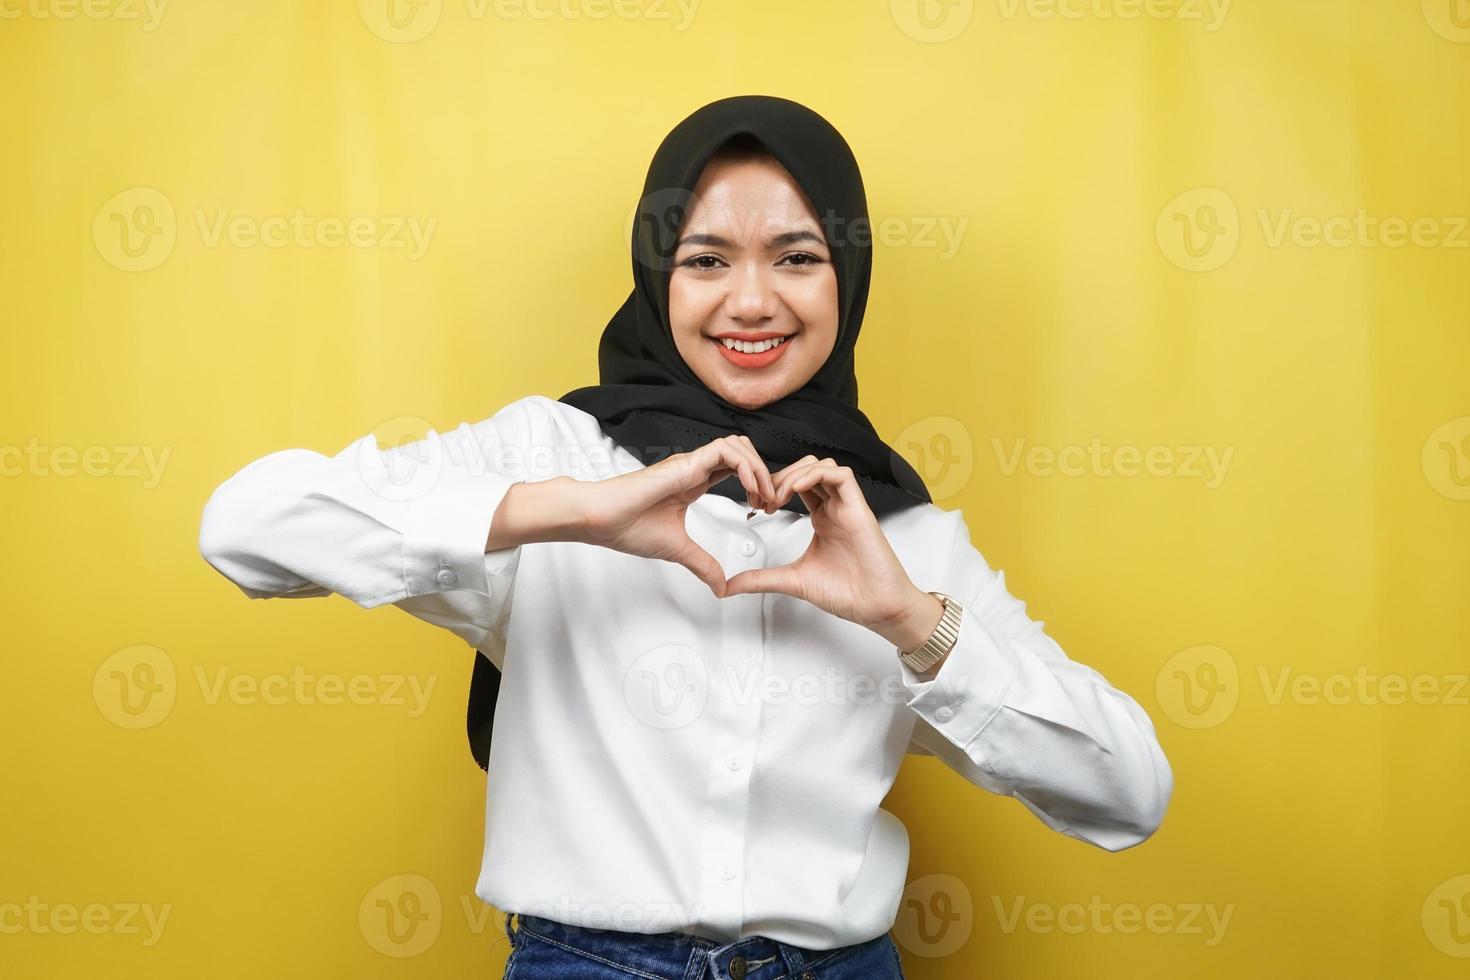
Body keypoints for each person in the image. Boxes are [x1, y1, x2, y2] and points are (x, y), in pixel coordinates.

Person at [198, 94, 1173, 980]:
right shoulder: (553, 449)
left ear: (850, 278)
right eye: (707, 258)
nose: (751, 301)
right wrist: (581, 509)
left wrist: (912, 620)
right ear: (660, 274)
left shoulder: (904, 533)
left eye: (797, 256)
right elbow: (247, 526)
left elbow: (1128, 792)